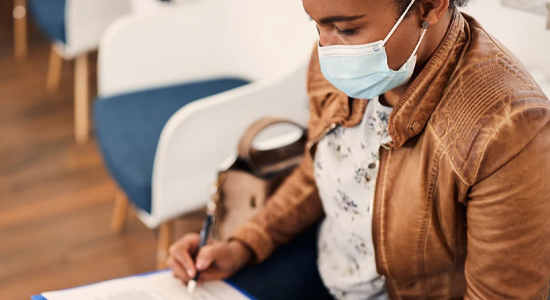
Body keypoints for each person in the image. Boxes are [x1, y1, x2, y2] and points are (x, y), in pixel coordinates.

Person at [168, 0, 550, 299]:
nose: (326, 49)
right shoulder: (342, 60)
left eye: (346, 28)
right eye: (316, 25)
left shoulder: (509, 130)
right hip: (329, 264)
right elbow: (321, 169)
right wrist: (244, 243)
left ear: (429, 5)